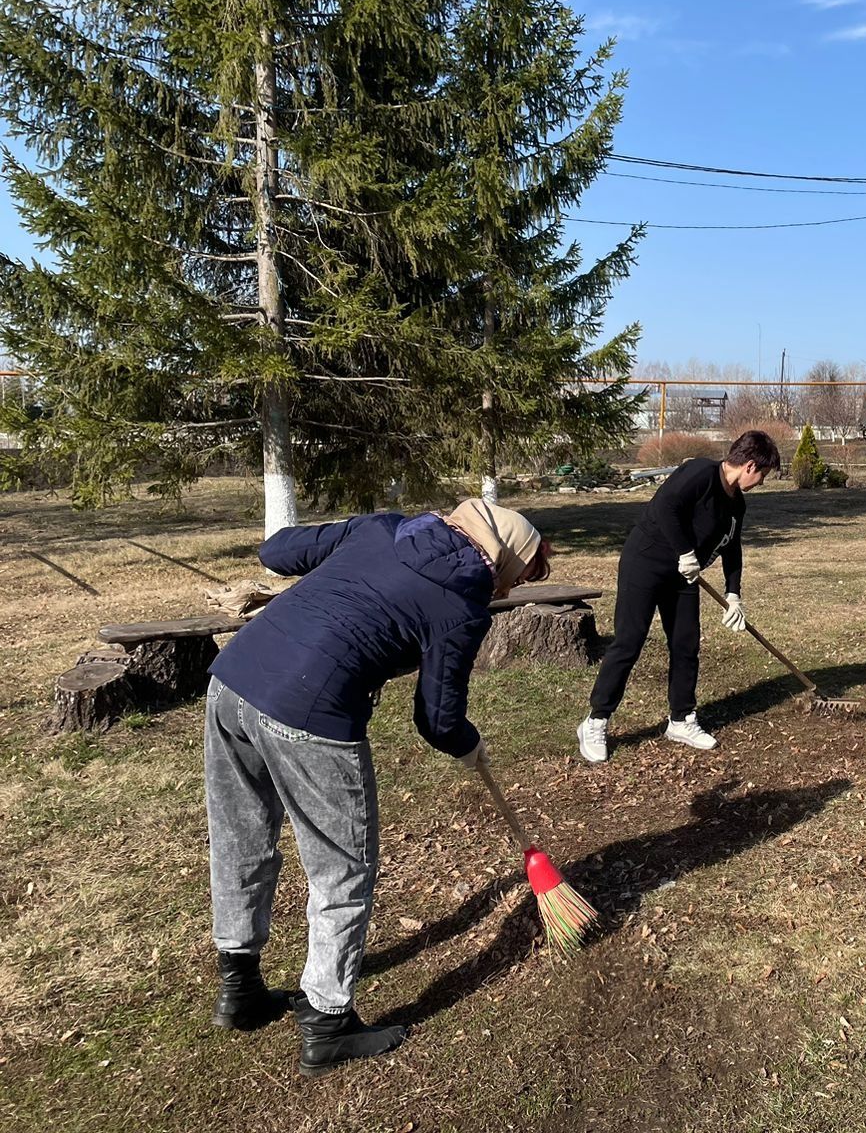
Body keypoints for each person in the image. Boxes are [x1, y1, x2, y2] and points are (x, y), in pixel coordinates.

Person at [203, 499, 548, 1077]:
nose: (506, 591)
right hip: (310, 713)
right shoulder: (461, 602)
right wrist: (468, 743)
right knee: (340, 869)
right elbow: (437, 720)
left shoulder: (382, 525)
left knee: (240, 839)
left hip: (233, 684)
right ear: (500, 561)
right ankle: (327, 1023)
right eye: (514, 579)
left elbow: (276, 551)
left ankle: (239, 990)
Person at [577, 429, 782, 764]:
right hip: (645, 563)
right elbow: (665, 507)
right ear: (749, 466)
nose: (760, 482)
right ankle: (596, 720)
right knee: (629, 641)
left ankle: (681, 719)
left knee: (686, 644)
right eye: (762, 475)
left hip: (683, 575)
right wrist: (686, 552)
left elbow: (733, 548)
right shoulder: (699, 473)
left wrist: (734, 595)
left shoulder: (736, 504)